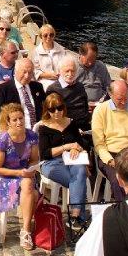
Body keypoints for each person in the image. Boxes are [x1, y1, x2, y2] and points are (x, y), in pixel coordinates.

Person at [0, 103, 40, 250]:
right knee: (31, 192)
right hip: (6, 177)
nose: (19, 122)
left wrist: (31, 169)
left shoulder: (31, 136)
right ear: (8, 122)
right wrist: (19, 173)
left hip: (24, 174)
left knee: (28, 185)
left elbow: (34, 159)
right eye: (15, 120)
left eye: (21, 118)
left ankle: (26, 230)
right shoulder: (3, 140)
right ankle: (26, 231)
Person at [91, 80, 128, 203]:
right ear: (110, 94)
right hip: (111, 154)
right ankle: (125, 209)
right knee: (119, 180)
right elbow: (99, 144)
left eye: (126, 98)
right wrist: (110, 160)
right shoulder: (100, 110)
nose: (123, 102)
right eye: (119, 99)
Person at [37, 92, 89, 225]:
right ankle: (78, 217)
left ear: (63, 107)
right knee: (78, 179)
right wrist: (67, 146)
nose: (56, 112)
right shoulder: (44, 127)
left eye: (59, 108)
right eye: (52, 109)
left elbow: (81, 143)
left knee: (80, 171)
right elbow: (45, 153)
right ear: (47, 110)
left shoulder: (71, 123)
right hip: (51, 163)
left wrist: (75, 148)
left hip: (72, 159)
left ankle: (75, 214)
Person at [0, 58, 45, 128]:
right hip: (15, 129)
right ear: (15, 71)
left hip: (39, 128)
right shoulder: (2, 89)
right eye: (24, 72)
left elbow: (46, 107)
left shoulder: (37, 86)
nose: (27, 76)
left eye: (30, 72)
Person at [75, 42, 112, 106]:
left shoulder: (101, 66)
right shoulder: (73, 68)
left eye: (93, 60)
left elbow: (108, 87)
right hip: (79, 104)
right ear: (80, 54)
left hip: (100, 104)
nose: (90, 63)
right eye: (88, 59)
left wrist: (101, 102)